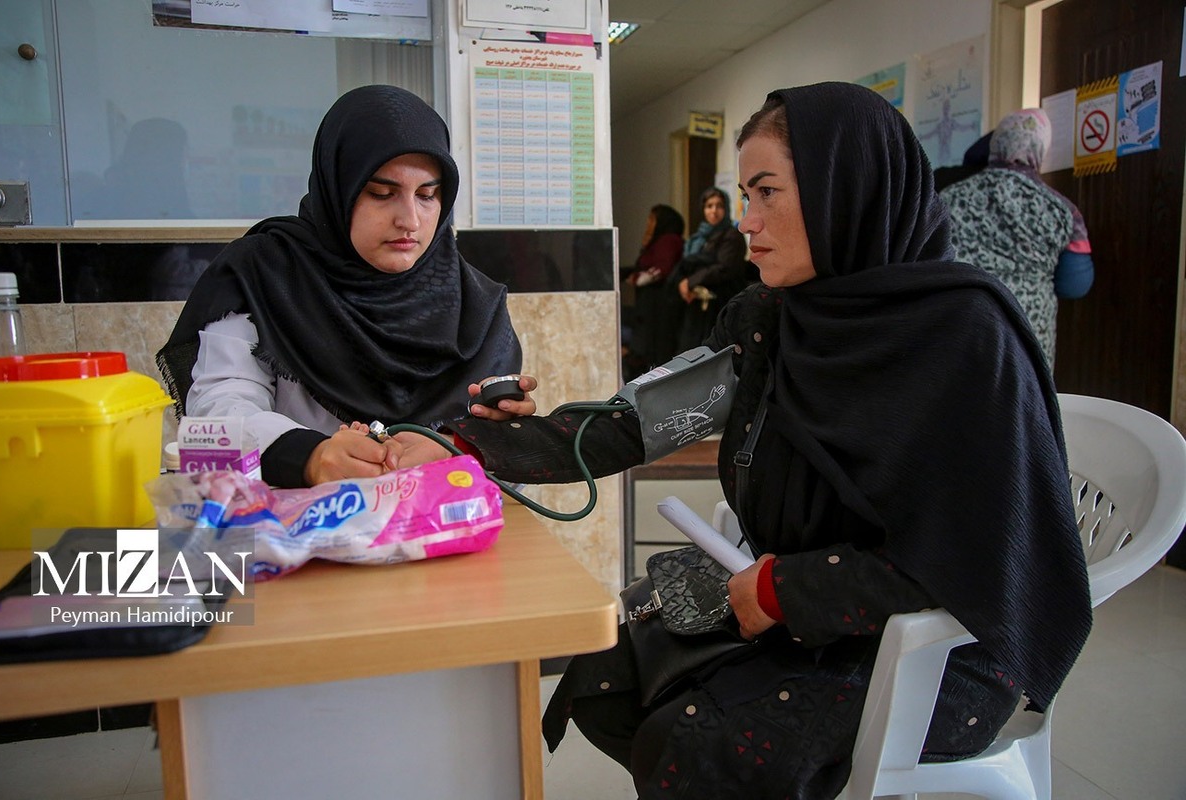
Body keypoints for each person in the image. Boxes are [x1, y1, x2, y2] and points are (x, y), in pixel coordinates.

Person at [390, 82, 1093, 799]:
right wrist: (469, 448)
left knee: (697, 740)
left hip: (943, 643)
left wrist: (786, 589)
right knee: (607, 668)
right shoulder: (768, 320)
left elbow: (978, 555)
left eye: (766, 194)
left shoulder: (964, 339)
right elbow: (638, 422)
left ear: (844, 191)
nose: (747, 224)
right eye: (744, 197)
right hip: (797, 595)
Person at [156, 85, 530, 489]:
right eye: (382, 193)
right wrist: (307, 457)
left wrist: (462, 445)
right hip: (299, 534)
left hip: (440, 532)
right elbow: (216, 417)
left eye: (427, 195)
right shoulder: (265, 273)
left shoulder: (475, 305)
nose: (410, 220)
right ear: (340, 187)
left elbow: (508, 481)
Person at [941, 108, 1094, 367]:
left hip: (963, 325)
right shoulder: (1062, 210)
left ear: (996, 143)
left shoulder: (948, 198)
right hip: (1027, 336)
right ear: (1040, 148)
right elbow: (1075, 284)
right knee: (1022, 403)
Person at [652, 187, 749, 364]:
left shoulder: (732, 235)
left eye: (719, 206)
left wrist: (690, 282)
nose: (714, 211)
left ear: (725, 208)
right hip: (695, 307)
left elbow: (725, 267)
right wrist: (685, 284)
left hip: (719, 304)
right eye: (709, 206)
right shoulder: (699, 237)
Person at [624, 204, 685, 378]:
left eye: (653, 219)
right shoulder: (659, 241)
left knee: (654, 356)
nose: (649, 223)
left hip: (659, 308)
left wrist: (637, 279)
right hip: (650, 308)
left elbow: (661, 268)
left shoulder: (669, 240)